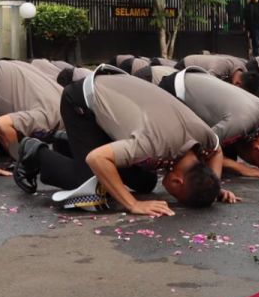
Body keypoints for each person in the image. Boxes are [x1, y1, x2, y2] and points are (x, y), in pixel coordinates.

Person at [12, 66, 235, 214]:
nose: (171, 197)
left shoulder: (201, 135)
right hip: (82, 100)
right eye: (177, 197)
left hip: (114, 92)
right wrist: (133, 204)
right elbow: (97, 158)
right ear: (178, 182)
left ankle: (67, 144)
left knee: (145, 182)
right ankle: (35, 152)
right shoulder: (154, 144)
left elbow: (216, 150)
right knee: (91, 186)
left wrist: (213, 185)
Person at [158, 66, 259, 177]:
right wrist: (241, 168)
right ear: (257, 149)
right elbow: (201, 146)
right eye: (254, 162)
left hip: (199, 78)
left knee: (226, 156)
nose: (251, 164)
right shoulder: (240, 122)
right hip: (175, 88)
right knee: (196, 156)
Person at [0, 60, 64, 156]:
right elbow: (2, 124)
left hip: (7, 69)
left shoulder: (64, 97)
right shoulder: (49, 117)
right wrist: (18, 157)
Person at [179, 53, 247, 81]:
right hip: (185, 64)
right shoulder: (222, 66)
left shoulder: (244, 69)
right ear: (238, 83)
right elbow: (208, 81)